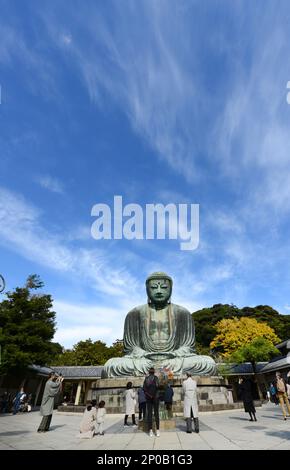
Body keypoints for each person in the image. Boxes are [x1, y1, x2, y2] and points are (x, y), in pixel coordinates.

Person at [102, 272, 216, 377]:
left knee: (208, 363)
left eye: (164, 287)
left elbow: (188, 346)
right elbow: (131, 347)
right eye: (153, 287)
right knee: (111, 366)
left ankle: (159, 370)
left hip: (174, 360)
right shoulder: (134, 313)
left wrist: (174, 354)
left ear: (171, 289)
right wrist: (145, 354)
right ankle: (163, 371)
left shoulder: (183, 313)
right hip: (144, 361)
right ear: (147, 290)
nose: (159, 291)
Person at [143, 367, 160, 437]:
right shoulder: (156, 378)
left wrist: (149, 395)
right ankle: (158, 430)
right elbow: (158, 387)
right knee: (156, 414)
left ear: (149, 372)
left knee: (149, 414)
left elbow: (144, 389)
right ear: (154, 372)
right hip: (155, 398)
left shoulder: (146, 379)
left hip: (149, 398)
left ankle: (150, 430)